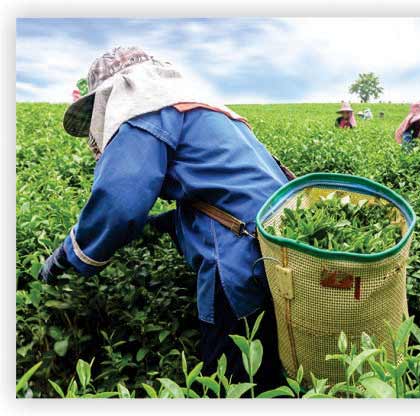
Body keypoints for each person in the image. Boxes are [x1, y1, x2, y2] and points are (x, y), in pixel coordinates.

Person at [38, 46, 288, 391]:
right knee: (271, 367)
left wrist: (69, 254)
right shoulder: (204, 110)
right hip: (277, 248)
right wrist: (162, 224)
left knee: (233, 378)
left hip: (236, 258)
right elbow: (224, 189)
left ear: (118, 91)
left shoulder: (145, 112)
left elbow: (119, 203)